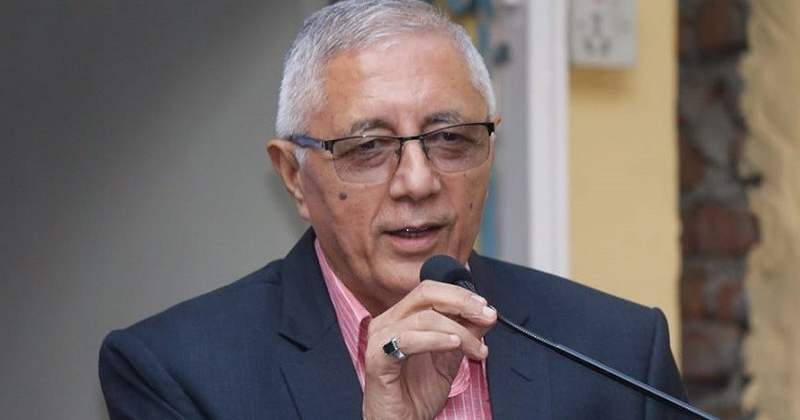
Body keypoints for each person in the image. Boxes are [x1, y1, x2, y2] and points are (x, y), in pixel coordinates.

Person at [99, 1, 686, 419]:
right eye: (368, 147)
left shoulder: (618, 352)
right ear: (293, 177)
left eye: (451, 138)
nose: (417, 182)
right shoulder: (178, 374)